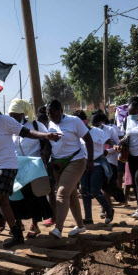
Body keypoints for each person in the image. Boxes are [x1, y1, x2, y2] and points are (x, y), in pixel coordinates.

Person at [0, 103, 61, 258]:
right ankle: (17, 236)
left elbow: (26, 132)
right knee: (3, 203)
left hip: (8, 167)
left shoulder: (3, 120)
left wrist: (46, 135)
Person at [46, 100, 94, 239]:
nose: (53, 118)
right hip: (58, 164)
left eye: (55, 114)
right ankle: (80, 226)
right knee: (71, 195)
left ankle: (58, 229)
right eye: (50, 116)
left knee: (61, 193)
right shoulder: (50, 124)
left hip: (76, 161)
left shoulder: (74, 121)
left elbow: (88, 139)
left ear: (61, 110)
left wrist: (90, 160)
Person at [8, 99, 53, 238]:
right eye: (11, 116)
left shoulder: (36, 125)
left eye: (16, 115)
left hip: (33, 166)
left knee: (33, 196)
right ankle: (18, 222)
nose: (14, 118)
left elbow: (48, 142)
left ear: (23, 114)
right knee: (16, 195)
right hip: (17, 166)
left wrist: (44, 154)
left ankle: (35, 224)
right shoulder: (10, 128)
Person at [82, 113, 117, 224]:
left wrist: (114, 145)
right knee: (84, 191)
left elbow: (109, 141)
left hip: (97, 163)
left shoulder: (97, 132)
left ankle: (109, 210)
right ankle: (88, 218)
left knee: (95, 190)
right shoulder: (76, 134)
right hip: (83, 164)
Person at [37, 109, 57, 227]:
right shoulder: (40, 135)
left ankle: (54, 217)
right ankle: (52, 216)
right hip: (42, 165)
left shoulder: (50, 132)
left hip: (51, 164)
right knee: (47, 193)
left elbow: (48, 150)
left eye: (43, 122)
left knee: (51, 192)